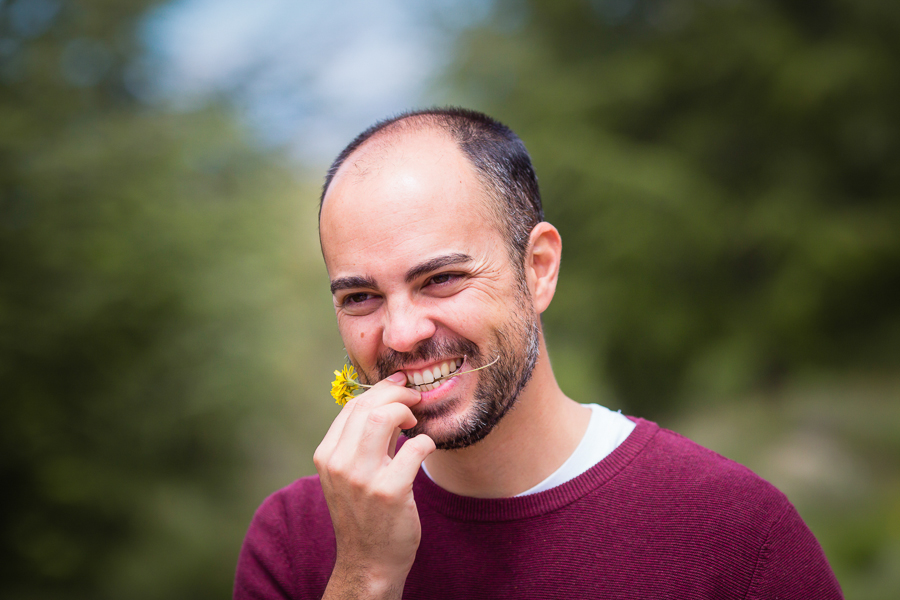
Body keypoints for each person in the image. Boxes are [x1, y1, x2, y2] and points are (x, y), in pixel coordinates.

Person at [234, 108, 843, 599]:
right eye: (362, 296)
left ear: (539, 269)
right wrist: (364, 578)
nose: (400, 334)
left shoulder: (735, 532)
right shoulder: (294, 541)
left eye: (441, 279)